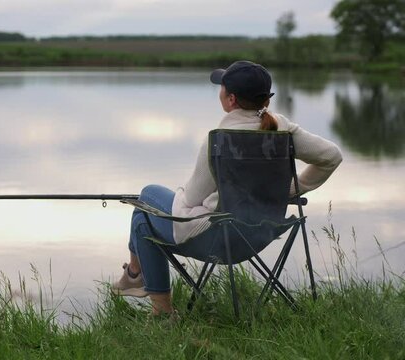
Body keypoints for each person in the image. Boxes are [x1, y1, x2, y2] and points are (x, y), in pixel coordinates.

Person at [112, 60, 343, 316]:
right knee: (145, 214)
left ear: (230, 99)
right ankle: (137, 283)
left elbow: (191, 199)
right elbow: (331, 156)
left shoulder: (219, 139)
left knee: (145, 204)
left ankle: (151, 298)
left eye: (221, 88)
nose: (219, 92)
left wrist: (182, 194)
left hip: (218, 240)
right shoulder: (283, 128)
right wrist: (287, 190)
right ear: (266, 99)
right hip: (260, 235)